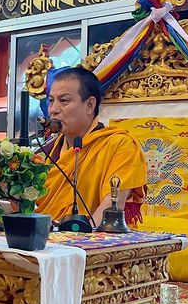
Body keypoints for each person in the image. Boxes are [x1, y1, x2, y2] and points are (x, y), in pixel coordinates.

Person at [35, 67, 147, 225]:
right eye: (51, 101)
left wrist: (80, 236)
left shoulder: (119, 145)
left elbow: (111, 208)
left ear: (89, 105)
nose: (53, 110)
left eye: (64, 101)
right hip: (45, 236)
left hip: (95, 236)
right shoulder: (46, 152)